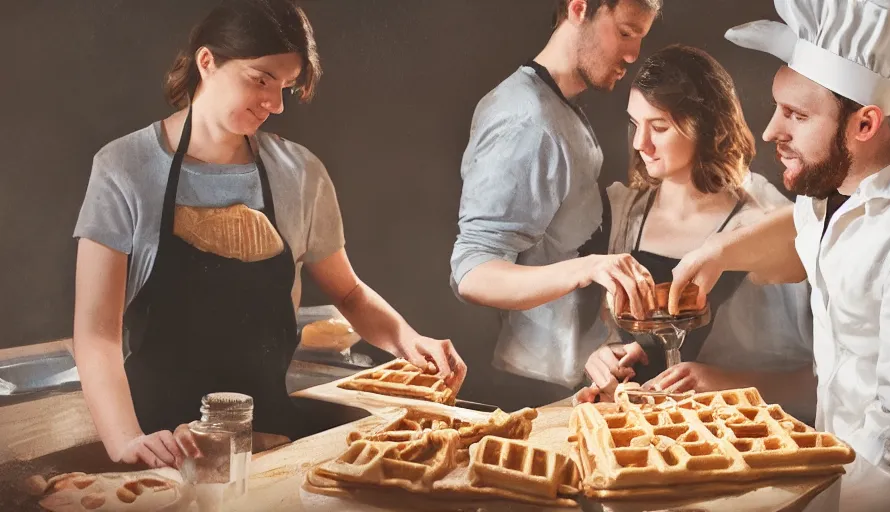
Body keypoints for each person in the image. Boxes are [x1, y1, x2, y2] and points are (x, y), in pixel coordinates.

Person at [73, 0, 466, 470]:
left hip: (269, 441)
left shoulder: (299, 174)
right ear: (206, 62)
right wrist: (125, 440)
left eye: (285, 86)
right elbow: (96, 334)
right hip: (161, 447)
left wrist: (408, 339)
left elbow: (349, 291)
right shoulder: (124, 169)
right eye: (261, 79)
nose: (276, 104)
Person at [662, 0, 890, 509]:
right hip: (849, 472)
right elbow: (806, 224)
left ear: (865, 124)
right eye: (776, 107)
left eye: (796, 115)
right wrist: (718, 250)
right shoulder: (840, 183)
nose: (769, 132)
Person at [574, 44, 815, 422]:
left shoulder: (765, 226)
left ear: (705, 126)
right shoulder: (621, 211)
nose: (641, 144)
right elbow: (609, 331)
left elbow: (815, 381)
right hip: (642, 432)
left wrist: (725, 381)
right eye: (635, 125)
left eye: (659, 127)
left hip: (732, 438)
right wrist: (607, 357)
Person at [449, 0, 661, 409]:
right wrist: (590, 267)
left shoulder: (556, 102)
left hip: (570, 373)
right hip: (532, 384)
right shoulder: (525, 119)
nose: (633, 55)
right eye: (625, 32)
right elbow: (473, 272)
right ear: (580, 8)